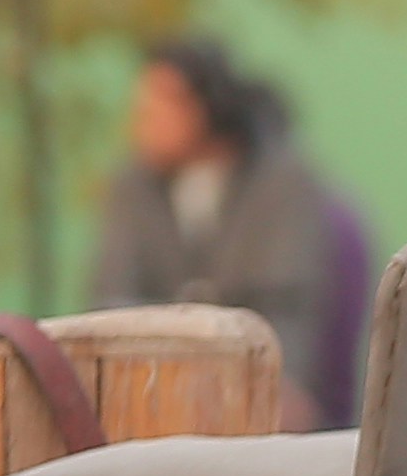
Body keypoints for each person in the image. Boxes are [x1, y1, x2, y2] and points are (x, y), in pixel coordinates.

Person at [91, 35, 367, 426]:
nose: (144, 123)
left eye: (159, 108)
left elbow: (290, 303)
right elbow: (112, 293)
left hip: (261, 388)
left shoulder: (281, 186)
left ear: (202, 109)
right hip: (154, 387)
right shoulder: (133, 190)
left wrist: (271, 381)